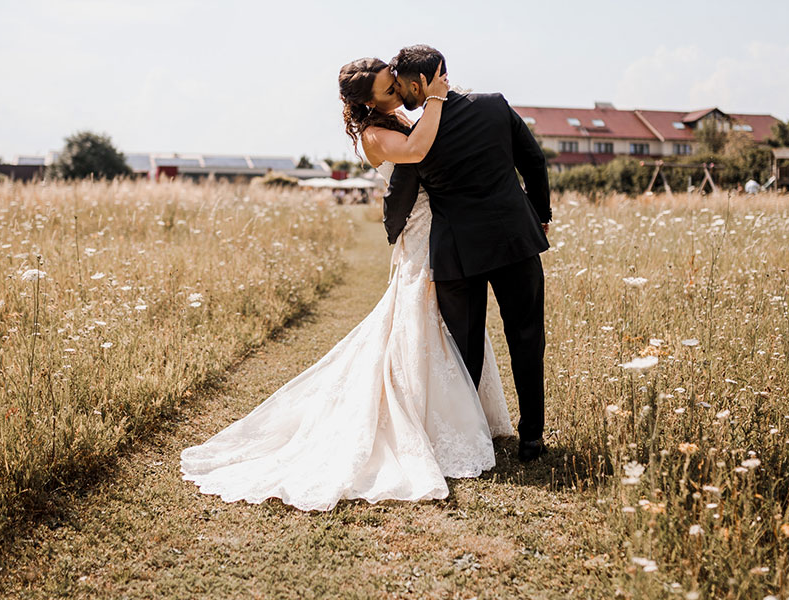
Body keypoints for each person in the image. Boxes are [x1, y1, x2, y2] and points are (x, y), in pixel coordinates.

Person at [179, 56, 513, 512]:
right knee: (422, 317)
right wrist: (435, 98)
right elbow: (417, 152)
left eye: (395, 83)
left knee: (449, 320)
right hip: (421, 235)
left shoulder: (395, 116)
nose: (397, 92)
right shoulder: (375, 134)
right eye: (387, 89)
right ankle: (430, 421)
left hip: (443, 227)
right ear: (366, 102)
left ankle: (462, 413)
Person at [383, 45, 552, 462]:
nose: (400, 93)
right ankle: (531, 438)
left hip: (458, 253)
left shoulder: (416, 137)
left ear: (421, 82)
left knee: (464, 349)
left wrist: (396, 233)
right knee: (527, 338)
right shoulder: (495, 106)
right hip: (515, 240)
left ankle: (474, 438)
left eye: (402, 85)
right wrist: (540, 214)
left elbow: (397, 198)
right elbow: (534, 162)